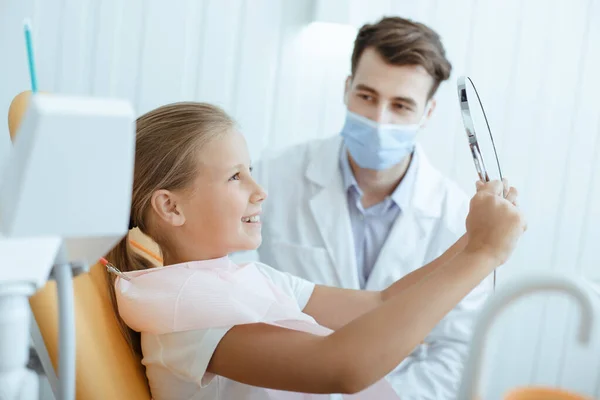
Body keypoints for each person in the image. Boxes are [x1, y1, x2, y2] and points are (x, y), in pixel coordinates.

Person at [105, 101, 526, 400]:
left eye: (250, 171)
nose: (260, 191)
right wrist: (482, 255)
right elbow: (341, 368)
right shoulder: (183, 314)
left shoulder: (242, 278)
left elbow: (381, 302)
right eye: (236, 177)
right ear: (170, 206)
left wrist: (473, 239)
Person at [242, 17, 489, 399]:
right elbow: (239, 294)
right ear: (347, 89)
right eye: (367, 97)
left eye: (402, 105)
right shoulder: (274, 175)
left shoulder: (458, 218)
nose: (379, 120)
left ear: (428, 112)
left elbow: (455, 352)